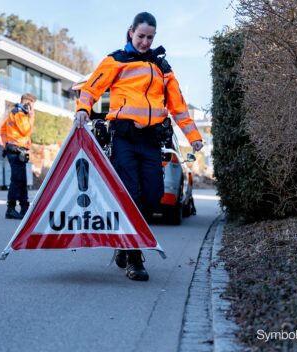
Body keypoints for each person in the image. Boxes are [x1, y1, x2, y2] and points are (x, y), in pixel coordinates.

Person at [74, 12, 203, 281]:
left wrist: (193, 137)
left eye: (150, 37)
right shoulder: (116, 60)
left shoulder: (162, 67)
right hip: (124, 139)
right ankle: (134, 257)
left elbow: (177, 106)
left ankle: (125, 244)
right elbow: (91, 88)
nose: (145, 42)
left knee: (154, 195)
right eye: (141, 36)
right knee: (131, 194)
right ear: (130, 32)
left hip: (152, 141)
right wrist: (83, 109)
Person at [0, 93, 36, 220]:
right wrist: (31, 117)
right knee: (17, 180)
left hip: (15, 150)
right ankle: (11, 209)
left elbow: (3, 129)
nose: (32, 108)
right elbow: (25, 130)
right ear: (27, 102)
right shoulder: (19, 114)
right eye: (31, 105)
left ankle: (24, 208)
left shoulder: (15, 112)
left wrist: (6, 144)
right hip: (16, 150)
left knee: (21, 180)